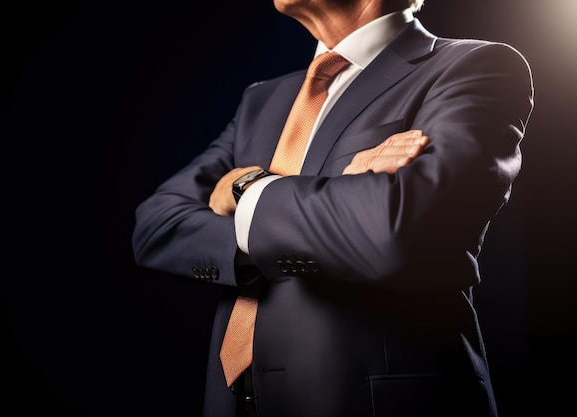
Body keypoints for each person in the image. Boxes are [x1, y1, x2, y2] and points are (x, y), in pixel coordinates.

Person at [132, 0, 534, 416]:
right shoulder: (262, 99)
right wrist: (326, 201)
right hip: (232, 402)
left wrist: (245, 189)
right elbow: (158, 224)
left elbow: (391, 228)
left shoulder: (477, 67)